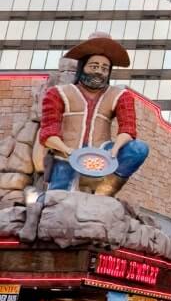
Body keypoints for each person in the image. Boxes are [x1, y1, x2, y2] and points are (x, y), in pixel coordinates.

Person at [39, 32, 149, 195]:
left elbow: (128, 129)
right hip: (66, 155)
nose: (99, 71)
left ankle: (104, 192)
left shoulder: (120, 96)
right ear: (82, 67)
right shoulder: (58, 93)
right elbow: (47, 133)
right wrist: (68, 151)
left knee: (139, 149)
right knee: (55, 200)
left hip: (102, 154)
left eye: (104, 68)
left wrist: (114, 151)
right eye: (94, 66)